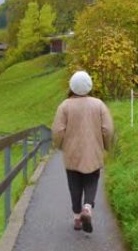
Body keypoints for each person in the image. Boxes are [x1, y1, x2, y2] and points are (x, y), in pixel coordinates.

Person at [51, 71, 114, 233]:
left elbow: (58, 131)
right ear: (89, 86)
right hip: (93, 151)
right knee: (92, 180)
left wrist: (59, 145)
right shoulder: (98, 104)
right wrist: (106, 146)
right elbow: (107, 129)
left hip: (72, 153)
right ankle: (88, 207)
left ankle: (77, 217)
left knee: (74, 186)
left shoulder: (64, 106)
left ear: (71, 86)